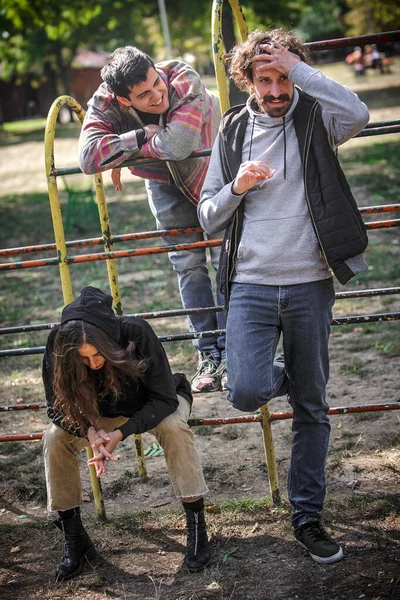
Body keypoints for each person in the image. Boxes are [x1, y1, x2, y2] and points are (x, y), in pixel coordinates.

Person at [198, 28, 370, 564]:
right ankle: (293, 375)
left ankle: (307, 517)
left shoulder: (316, 116)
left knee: (311, 409)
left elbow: (359, 114)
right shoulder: (230, 132)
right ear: (247, 80)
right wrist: (237, 187)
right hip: (249, 285)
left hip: (310, 283)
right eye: (264, 79)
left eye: (283, 78)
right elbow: (207, 215)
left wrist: (300, 69)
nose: (276, 90)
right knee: (246, 389)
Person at [78, 47, 226, 393]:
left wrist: (121, 153)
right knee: (188, 266)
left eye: (156, 83)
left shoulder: (183, 78)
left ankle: (234, 354)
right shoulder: (105, 101)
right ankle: (209, 354)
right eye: (144, 94)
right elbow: (87, 158)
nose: (157, 94)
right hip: (161, 182)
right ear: (122, 100)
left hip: (212, 173)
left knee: (224, 260)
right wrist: (140, 135)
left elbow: (179, 144)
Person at [42, 286, 211, 581]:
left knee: (174, 427)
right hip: (100, 418)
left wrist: (121, 433)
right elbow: (55, 406)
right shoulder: (58, 344)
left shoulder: (136, 332)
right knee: (55, 437)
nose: (94, 363)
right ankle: (75, 538)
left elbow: (165, 399)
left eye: (98, 354)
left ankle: (197, 525)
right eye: (83, 359)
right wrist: (89, 432)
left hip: (157, 403)